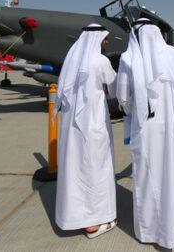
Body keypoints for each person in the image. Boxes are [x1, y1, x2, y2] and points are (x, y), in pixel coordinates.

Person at [116, 18, 174, 249]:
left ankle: (154, 231)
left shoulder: (128, 58)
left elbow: (123, 99)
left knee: (150, 176)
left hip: (146, 127)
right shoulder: (171, 53)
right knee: (172, 172)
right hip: (172, 127)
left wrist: (134, 111)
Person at [54, 23, 118, 238]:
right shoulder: (100, 61)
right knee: (95, 168)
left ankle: (74, 217)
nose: (107, 42)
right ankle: (95, 222)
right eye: (105, 38)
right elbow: (115, 89)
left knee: (75, 169)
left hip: (71, 126)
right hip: (92, 124)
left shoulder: (73, 59)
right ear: (98, 39)